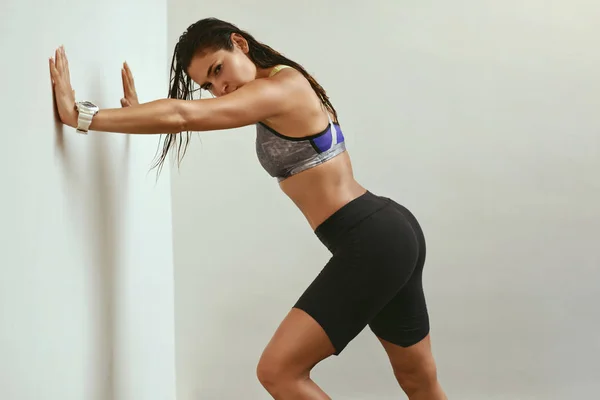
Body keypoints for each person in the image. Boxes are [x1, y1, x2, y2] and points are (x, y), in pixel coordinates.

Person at [50, 17, 447, 400]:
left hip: (374, 239)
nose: (219, 87)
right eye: (208, 84)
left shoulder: (281, 87)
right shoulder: (274, 88)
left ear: (239, 43)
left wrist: (81, 116)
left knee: (278, 371)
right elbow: (189, 116)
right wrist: (131, 115)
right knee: (419, 381)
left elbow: (184, 114)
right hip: (388, 232)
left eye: (218, 69)